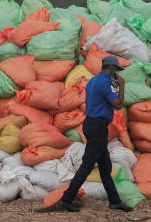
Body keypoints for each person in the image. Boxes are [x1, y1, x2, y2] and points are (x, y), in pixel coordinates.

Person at [57, 56, 133, 213]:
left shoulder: (93, 81)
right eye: (116, 69)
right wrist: (122, 86)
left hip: (91, 123)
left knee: (105, 166)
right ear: (111, 68)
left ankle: (114, 201)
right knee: (87, 164)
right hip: (98, 126)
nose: (117, 73)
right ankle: (66, 199)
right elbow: (118, 105)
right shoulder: (105, 83)